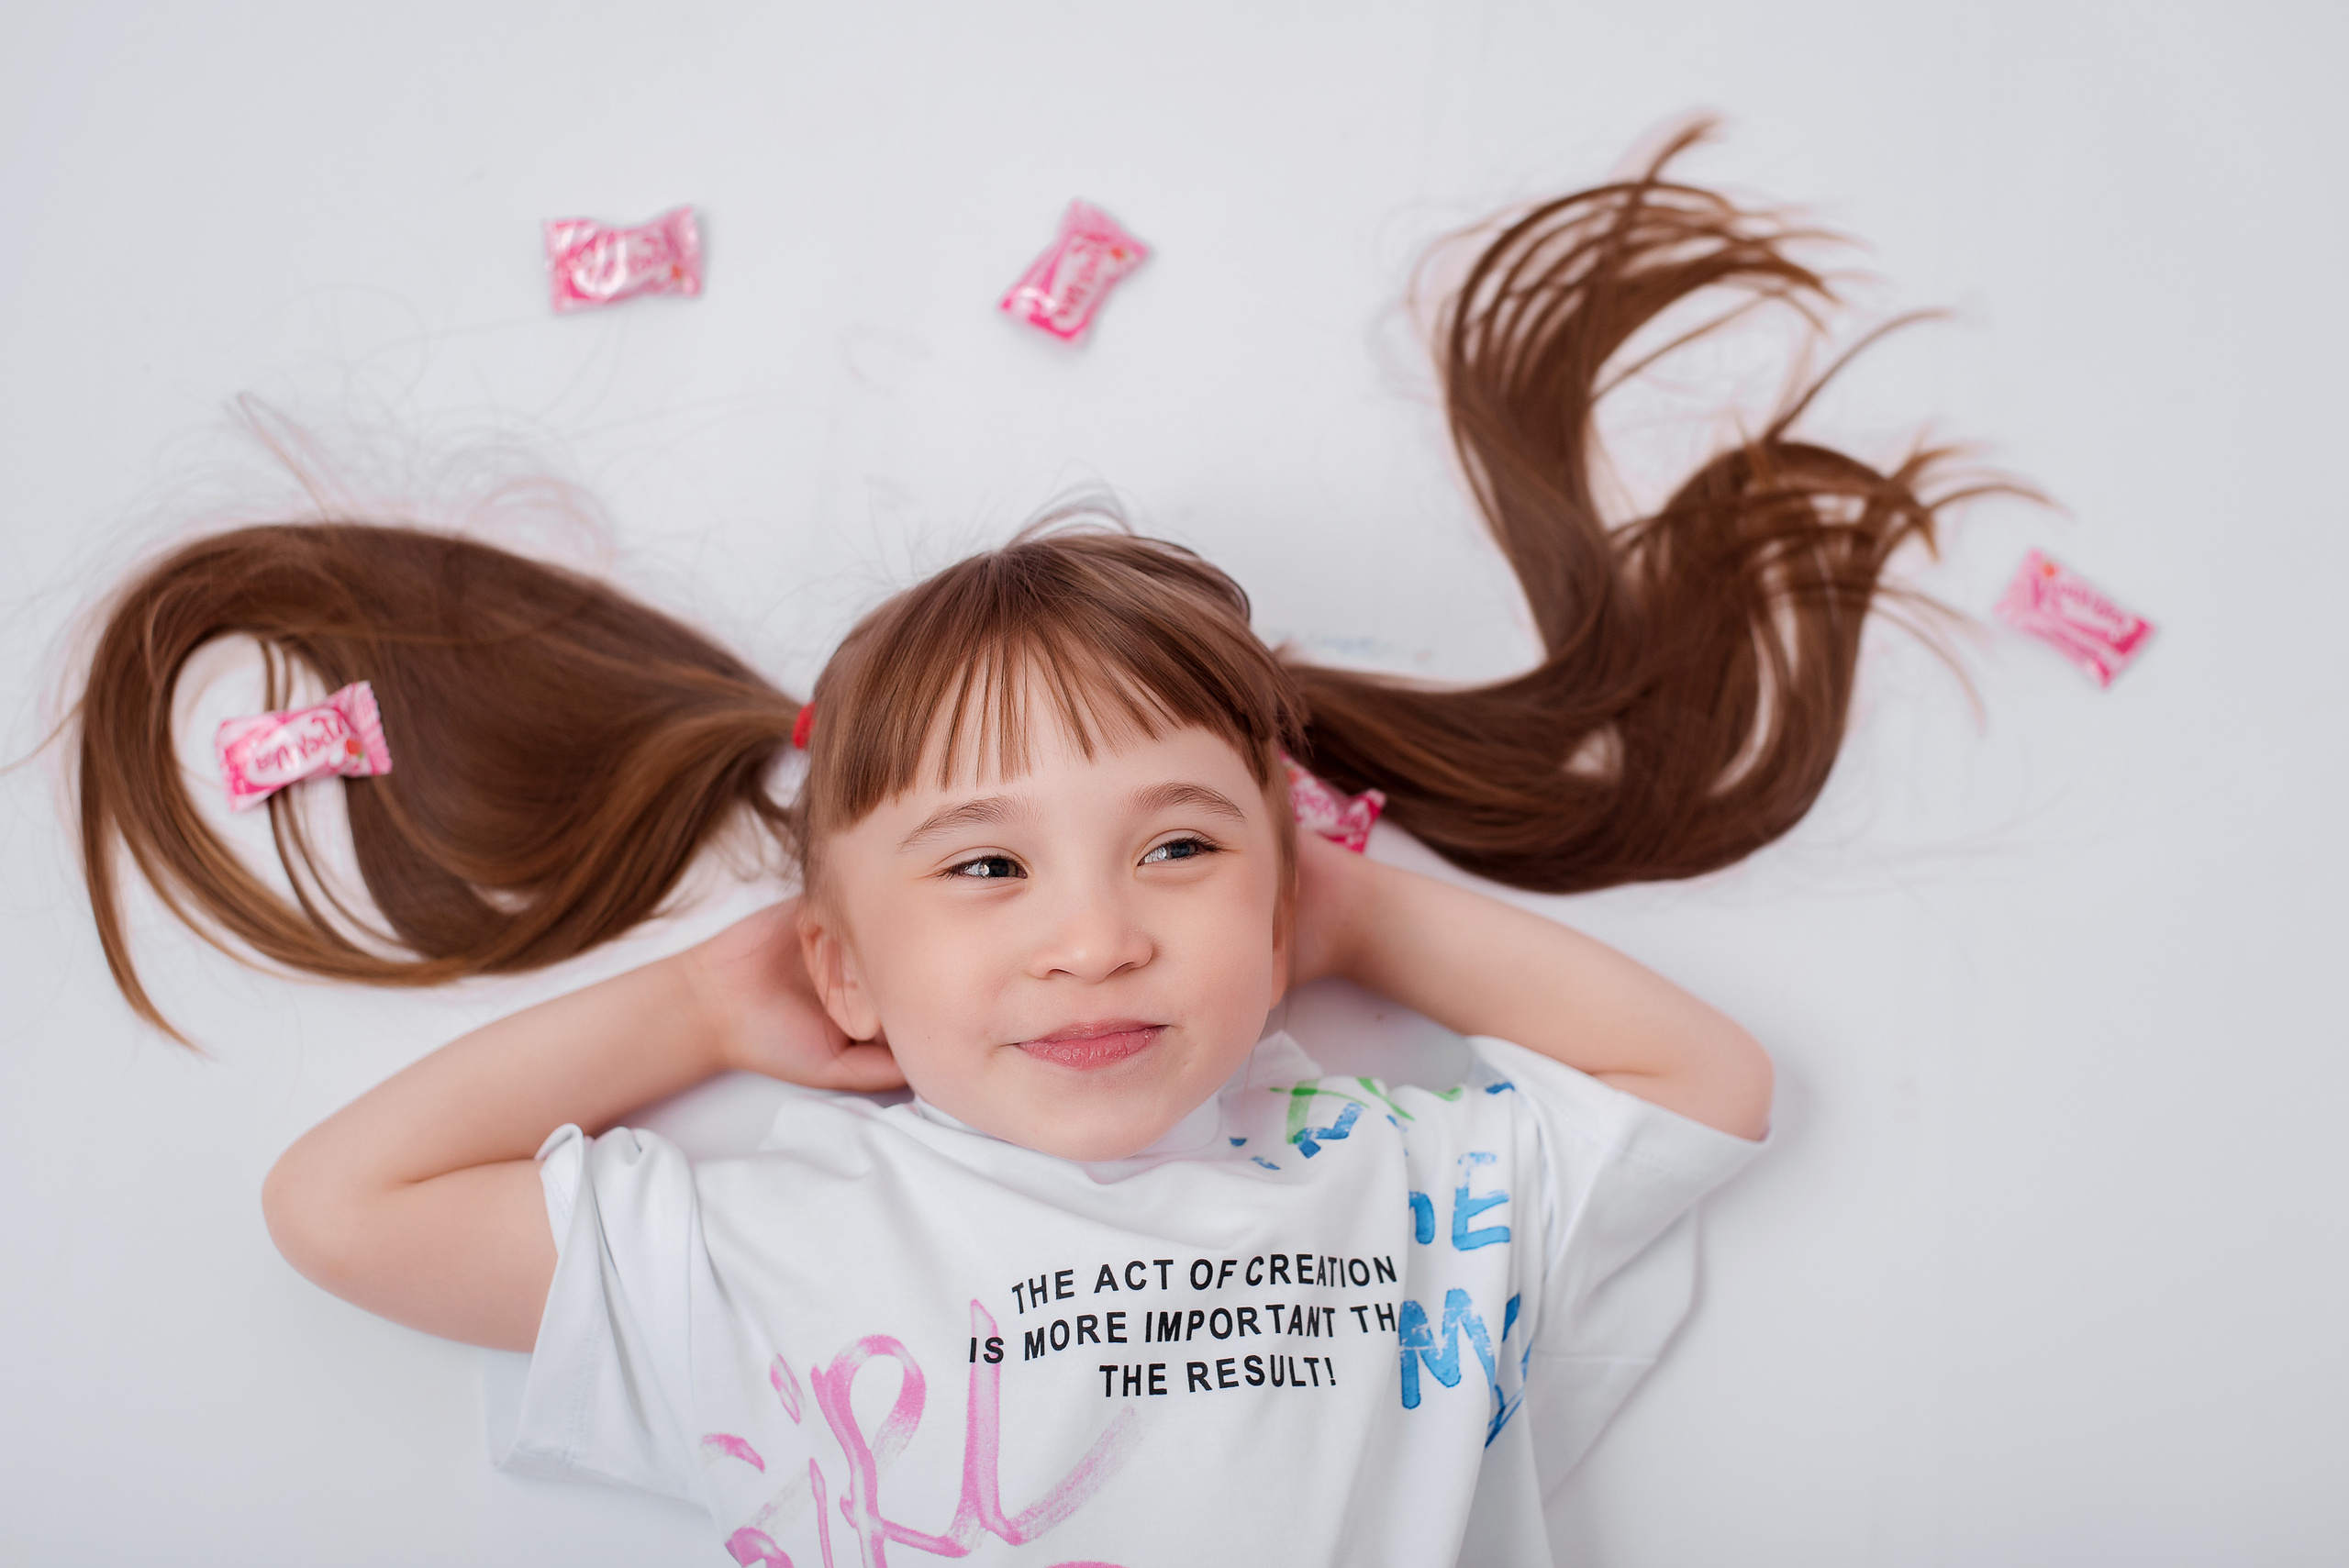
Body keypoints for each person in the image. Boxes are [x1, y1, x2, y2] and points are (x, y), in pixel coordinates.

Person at [68, 128, 1980, 1565]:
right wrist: (697, 1012)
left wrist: (1339, 918)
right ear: (842, 954)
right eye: (984, 869)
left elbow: (1705, 1086)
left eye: (1170, 852)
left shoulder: (1410, 1189)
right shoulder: (785, 1238)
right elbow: (339, 1213)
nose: (1091, 942)